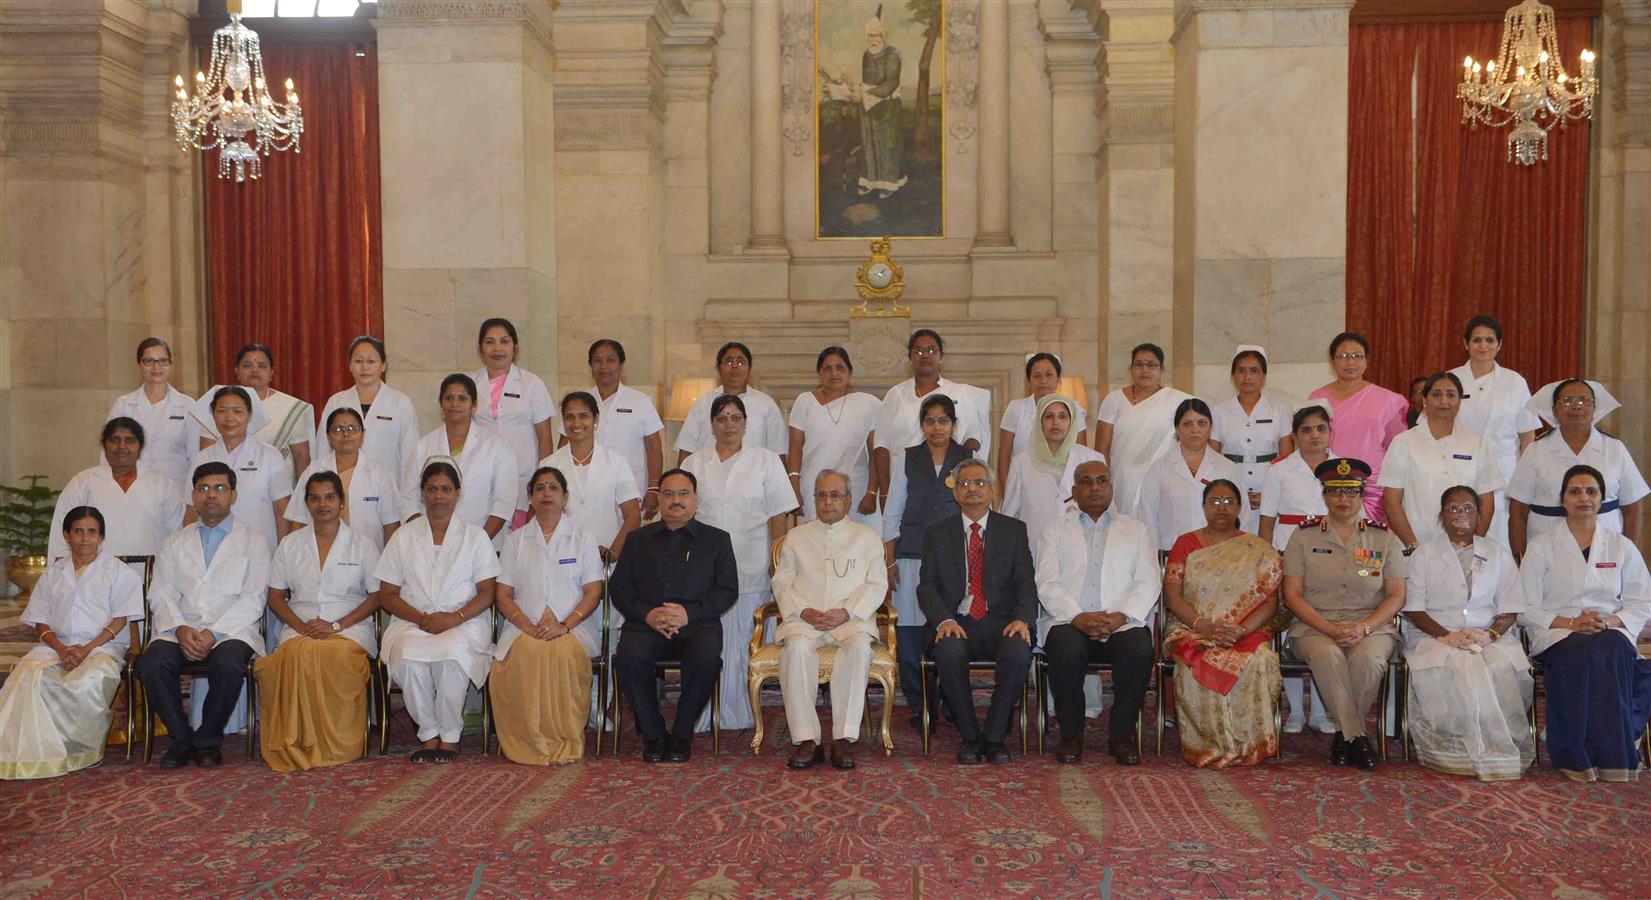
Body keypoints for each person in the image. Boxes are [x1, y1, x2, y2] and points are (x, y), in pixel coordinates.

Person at [136, 462, 274, 769]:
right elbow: (160, 592)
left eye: (220, 488)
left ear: (233, 495)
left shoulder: (255, 542)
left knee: (227, 663)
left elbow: (254, 598)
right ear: (194, 495)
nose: (211, 495)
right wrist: (181, 629)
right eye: (204, 488)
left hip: (232, 629)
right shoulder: (174, 542)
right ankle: (181, 739)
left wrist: (214, 634)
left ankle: (209, 739)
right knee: (152, 663)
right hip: (181, 626)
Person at [1518, 464, 1651, 782]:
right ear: (1562, 499)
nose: (1583, 498)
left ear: (1602, 499)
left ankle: (1615, 755)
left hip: (1611, 628)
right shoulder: (1541, 547)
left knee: (1613, 648)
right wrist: (1571, 622)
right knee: (1584, 651)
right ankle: (1574, 753)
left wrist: (1609, 621)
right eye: (1575, 491)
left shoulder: (1621, 546)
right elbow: (1523, 606)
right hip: (1558, 632)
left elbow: (1642, 600)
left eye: (1591, 491)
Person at [680, 394, 798, 731]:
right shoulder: (694, 464)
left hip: (751, 561)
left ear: (746, 424)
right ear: (712, 424)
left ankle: (742, 711)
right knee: (707, 638)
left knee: (745, 639)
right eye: (722, 418)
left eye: (736, 418)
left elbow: (778, 516)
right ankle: (703, 710)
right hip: (702, 569)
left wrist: (778, 563)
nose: (729, 425)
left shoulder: (765, 461)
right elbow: (682, 516)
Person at [1281, 457, 1407, 771]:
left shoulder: (1384, 538)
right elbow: (1292, 595)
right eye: (1335, 492)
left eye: (1351, 492)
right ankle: (1357, 737)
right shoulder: (1303, 536)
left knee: (1369, 659)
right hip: (1313, 626)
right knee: (1328, 656)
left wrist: (1364, 627)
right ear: (1324, 495)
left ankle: (1344, 735)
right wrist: (1327, 627)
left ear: (1363, 496)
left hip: (1371, 626)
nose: (1343, 499)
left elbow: (1397, 595)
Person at [0, 507, 143, 779]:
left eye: (92, 532)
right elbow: (40, 621)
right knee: (25, 675)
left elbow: (120, 621)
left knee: (86, 680)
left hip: (103, 647)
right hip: (57, 646)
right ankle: (25, 750)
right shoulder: (54, 573)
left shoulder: (119, 572)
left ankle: (79, 751)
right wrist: (62, 649)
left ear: (101, 537)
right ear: (67, 535)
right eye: (78, 531)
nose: (85, 538)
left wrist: (86, 650)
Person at [1402, 486, 1533, 781]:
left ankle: (1498, 748)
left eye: (1467, 509)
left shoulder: (1496, 553)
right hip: (1435, 636)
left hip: (1487, 635)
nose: (1461, 515)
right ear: (1441, 515)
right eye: (1453, 508)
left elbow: (1510, 605)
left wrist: (1490, 635)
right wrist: (1446, 636)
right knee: (1462, 664)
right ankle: (1455, 748)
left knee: (1496, 664)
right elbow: (1413, 608)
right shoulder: (1424, 554)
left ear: (1479, 515)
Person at [374, 460, 501, 764]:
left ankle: (450, 737)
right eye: (432, 489)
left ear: (458, 494)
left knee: (452, 656)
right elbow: (386, 593)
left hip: (463, 622)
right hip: (412, 621)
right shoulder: (404, 536)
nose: (438, 496)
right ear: (422, 494)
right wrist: (420, 618)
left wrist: (453, 618)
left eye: (446, 489)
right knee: (407, 657)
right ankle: (429, 734)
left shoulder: (475, 536)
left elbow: (488, 591)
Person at [1035, 459, 1160, 766]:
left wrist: (1120, 616)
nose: (1094, 488)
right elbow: (1046, 581)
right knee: (1064, 649)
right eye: (1086, 482)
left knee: (1140, 649)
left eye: (1101, 481)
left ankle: (1121, 735)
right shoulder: (1054, 530)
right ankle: (1071, 734)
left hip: (1120, 621)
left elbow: (1149, 580)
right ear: (1074, 490)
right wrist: (1078, 617)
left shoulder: (1136, 530)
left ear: (1111, 488)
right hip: (1069, 619)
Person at [610, 469, 739, 763]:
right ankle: (654, 735)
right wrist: (649, 614)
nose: (675, 501)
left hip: (696, 624)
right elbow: (620, 588)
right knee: (627, 657)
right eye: (668, 494)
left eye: (683, 494)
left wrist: (687, 613)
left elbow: (727, 590)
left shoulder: (717, 540)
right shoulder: (637, 539)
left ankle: (681, 734)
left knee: (707, 658)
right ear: (659, 499)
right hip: (646, 624)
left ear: (696, 500)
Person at [255, 471, 380, 772]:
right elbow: (275, 597)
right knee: (295, 653)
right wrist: (301, 626)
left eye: (330, 497)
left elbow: (378, 597)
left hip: (349, 629)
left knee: (324, 652)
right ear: (306, 503)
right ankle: (299, 740)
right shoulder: (290, 544)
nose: (322, 504)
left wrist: (336, 626)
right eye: (315, 498)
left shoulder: (362, 544)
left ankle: (337, 743)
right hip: (300, 627)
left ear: (342, 503)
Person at [919, 458, 1037, 765]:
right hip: (956, 620)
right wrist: (944, 619)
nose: (973, 489)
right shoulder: (937, 532)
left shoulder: (1014, 530)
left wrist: (1022, 620)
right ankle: (970, 737)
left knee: (1018, 652)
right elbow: (927, 586)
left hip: (1002, 622)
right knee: (947, 651)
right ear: (955, 492)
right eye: (965, 483)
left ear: (993, 489)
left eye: (980, 483)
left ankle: (995, 738)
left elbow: (1026, 582)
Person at [770, 470, 888, 771]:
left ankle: (842, 739)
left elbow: (877, 583)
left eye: (835, 495)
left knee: (859, 648)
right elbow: (782, 581)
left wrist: (848, 611)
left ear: (848, 500)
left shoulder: (868, 538)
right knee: (795, 650)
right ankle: (807, 738)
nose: (827, 502)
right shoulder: (795, 537)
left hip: (850, 619)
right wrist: (803, 610)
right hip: (805, 619)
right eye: (821, 495)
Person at [1162, 480, 1284, 768]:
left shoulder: (1256, 548)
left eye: (1228, 501)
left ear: (1240, 508)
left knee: (1262, 660)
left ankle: (1250, 744)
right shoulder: (1185, 543)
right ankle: (1210, 745)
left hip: (1245, 630)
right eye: (1214, 501)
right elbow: (1173, 597)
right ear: (1203, 506)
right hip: (1193, 628)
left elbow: (1269, 601)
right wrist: (1202, 625)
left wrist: (1240, 630)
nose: (1221, 507)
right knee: (1196, 659)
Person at [491, 466, 604, 766]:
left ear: (565, 497)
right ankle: (529, 742)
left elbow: (593, 591)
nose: (546, 493)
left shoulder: (582, 537)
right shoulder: (515, 540)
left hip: (572, 625)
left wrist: (565, 625)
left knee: (562, 653)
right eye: (539, 488)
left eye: (553, 488)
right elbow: (503, 594)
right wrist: (527, 625)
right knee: (526, 652)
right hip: (523, 624)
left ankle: (565, 738)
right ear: (530, 498)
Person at [882, 394, 973, 725]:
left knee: (950, 631)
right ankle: (921, 704)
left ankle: (950, 700)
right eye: (930, 420)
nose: (937, 427)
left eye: (943, 420)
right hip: (911, 555)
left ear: (953, 424)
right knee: (909, 637)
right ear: (922, 425)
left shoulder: (967, 457)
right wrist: (889, 558)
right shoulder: (908, 459)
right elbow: (893, 509)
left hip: (954, 559)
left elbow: (977, 508)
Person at [1258, 403, 1341, 735]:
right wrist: (1268, 564)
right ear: (1294, 436)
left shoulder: (1342, 469)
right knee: (1285, 628)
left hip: (1331, 556)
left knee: (1323, 628)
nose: (1314, 435)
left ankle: (1321, 710)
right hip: (1286, 551)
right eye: (1306, 430)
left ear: (1330, 432)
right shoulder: (1278, 470)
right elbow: (1266, 523)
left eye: (1320, 428)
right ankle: (1293, 710)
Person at [1508, 379, 1647, 558]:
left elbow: (1633, 507)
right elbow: (1518, 511)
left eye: (1584, 400)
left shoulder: (1614, 448)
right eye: (1567, 401)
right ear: (1554, 410)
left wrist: (1629, 555)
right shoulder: (1537, 450)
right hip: (1547, 548)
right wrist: (1521, 557)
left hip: (1606, 547)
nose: (1577, 406)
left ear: (1595, 408)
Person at [1379, 372, 1503, 553]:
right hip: (1415, 542)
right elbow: (1391, 501)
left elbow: (1486, 500)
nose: (1444, 400)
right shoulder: (1403, 442)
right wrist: (1412, 545)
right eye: (1436, 394)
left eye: (1451, 394)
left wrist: (1471, 544)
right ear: (1424, 400)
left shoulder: (1476, 443)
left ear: (1460, 401)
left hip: (1463, 544)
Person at [872, 329, 989, 510]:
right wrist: (885, 492)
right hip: (903, 485)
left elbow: (973, 438)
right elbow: (881, 445)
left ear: (941, 356)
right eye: (918, 351)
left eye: (931, 350)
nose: (925, 355)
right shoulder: (896, 394)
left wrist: (959, 470)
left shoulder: (959, 393)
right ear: (910, 357)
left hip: (950, 487)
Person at [1449, 315, 1538, 548]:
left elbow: (1527, 434)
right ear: (1465, 343)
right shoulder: (1451, 379)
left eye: (1490, 340)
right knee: (1460, 527)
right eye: (1477, 340)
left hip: (1505, 473)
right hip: (1459, 468)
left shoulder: (1514, 382)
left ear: (1499, 345)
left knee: (1500, 536)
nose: (1483, 346)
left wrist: (1525, 477)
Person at [48, 418, 187, 562]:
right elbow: (61, 536)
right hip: (94, 578)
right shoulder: (82, 484)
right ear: (104, 446)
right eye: (114, 440)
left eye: (130, 440)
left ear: (140, 447)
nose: (122, 446)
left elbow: (176, 537)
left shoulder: (163, 485)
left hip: (151, 577)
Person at [403, 375, 518, 545]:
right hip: (430, 546)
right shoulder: (424, 446)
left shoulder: (497, 447)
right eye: (449, 398)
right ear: (441, 404)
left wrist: (476, 546)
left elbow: (503, 505)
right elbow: (408, 499)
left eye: (462, 398)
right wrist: (426, 540)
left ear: (474, 405)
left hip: (483, 546)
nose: (455, 404)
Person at [1307, 333, 1409, 523]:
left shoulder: (1387, 400)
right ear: (1332, 361)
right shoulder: (1317, 399)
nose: (1350, 362)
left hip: (1373, 490)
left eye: (1357, 356)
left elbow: (1398, 450)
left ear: (1367, 361)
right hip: (1329, 483)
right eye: (1343, 356)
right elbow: (1309, 443)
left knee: (1369, 548)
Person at [563, 339, 664, 520]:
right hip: (584, 490)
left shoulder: (640, 401)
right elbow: (564, 445)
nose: (604, 366)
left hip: (630, 489)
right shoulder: (579, 401)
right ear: (590, 366)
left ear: (621, 365)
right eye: (597, 360)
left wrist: (653, 488)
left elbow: (654, 447)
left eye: (610, 360)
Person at [469, 318, 556, 521]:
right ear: (480, 348)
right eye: (490, 342)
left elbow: (544, 437)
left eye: (504, 341)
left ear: (515, 347)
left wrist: (541, 483)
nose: (497, 348)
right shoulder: (470, 383)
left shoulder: (532, 383)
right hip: (480, 477)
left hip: (522, 479)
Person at [1093, 342, 1192, 520]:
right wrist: (1102, 486)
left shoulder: (1177, 402)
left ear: (1162, 369)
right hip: (1122, 485)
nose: (1145, 370)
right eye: (1139, 364)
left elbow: (1192, 444)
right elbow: (1101, 451)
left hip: (1163, 482)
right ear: (1131, 368)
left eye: (1151, 365)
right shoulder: (1113, 400)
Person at [539, 391, 640, 565]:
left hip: (605, 558)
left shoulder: (616, 462)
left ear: (596, 419)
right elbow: (539, 514)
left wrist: (613, 552)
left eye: (583, 416)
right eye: (569, 417)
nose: (576, 423)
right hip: (559, 559)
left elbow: (633, 516)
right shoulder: (549, 465)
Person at [1000, 393, 1105, 555]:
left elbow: (1107, 511)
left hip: (1084, 551)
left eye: (1062, 417)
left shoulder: (1093, 460)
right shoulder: (1021, 462)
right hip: (1035, 550)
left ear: (1072, 422)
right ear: (1040, 423)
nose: (1056, 423)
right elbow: (1009, 515)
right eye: (1049, 417)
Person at [191, 385, 292, 552]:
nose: (229, 418)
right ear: (213, 415)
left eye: (237, 411)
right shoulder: (202, 458)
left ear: (250, 415)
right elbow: (191, 510)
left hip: (260, 551)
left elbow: (282, 509)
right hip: (212, 551)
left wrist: (282, 555)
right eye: (222, 411)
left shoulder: (269, 455)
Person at [286, 407, 403, 551]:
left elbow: (391, 523)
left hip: (369, 557)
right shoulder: (313, 471)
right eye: (338, 429)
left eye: (353, 428)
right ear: (328, 436)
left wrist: (386, 563)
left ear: (363, 433)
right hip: (319, 556)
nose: (346, 434)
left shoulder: (380, 474)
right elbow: (298, 520)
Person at [787, 346, 879, 526]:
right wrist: (794, 489)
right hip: (814, 489)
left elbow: (876, 453)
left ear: (850, 372)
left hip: (855, 489)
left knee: (854, 546)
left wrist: (871, 493)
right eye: (827, 368)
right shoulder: (805, 402)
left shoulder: (870, 404)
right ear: (819, 373)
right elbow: (795, 449)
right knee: (814, 546)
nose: (834, 373)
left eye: (840, 367)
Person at [1137, 398, 1243, 552]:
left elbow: (1242, 516)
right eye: (1187, 423)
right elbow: (1147, 518)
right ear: (1177, 429)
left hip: (1220, 556)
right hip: (1172, 555)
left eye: (1202, 423)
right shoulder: (1159, 469)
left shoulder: (1228, 468)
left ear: (1210, 428)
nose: (1195, 429)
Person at [1210, 346, 1293, 534]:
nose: (1247, 377)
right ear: (1233, 375)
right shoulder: (1218, 411)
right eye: (1241, 371)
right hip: (1230, 485)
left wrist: (1270, 493)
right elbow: (1212, 458)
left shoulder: (1279, 410)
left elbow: (1286, 458)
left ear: (1263, 375)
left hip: (1268, 484)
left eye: (1254, 371)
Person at [318, 336, 421, 478]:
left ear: (383, 365)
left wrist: (406, 498)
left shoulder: (400, 403)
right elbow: (322, 450)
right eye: (358, 361)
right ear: (350, 366)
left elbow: (411, 456)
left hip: (388, 489)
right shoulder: (336, 402)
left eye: (371, 361)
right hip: (342, 488)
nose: (364, 367)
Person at [105, 337, 200, 484]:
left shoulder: (188, 406)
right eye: (149, 361)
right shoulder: (124, 405)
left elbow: (195, 457)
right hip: (133, 490)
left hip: (176, 491)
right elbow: (109, 453)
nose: (157, 367)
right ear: (139, 365)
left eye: (163, 361)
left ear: (170, 365)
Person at [209, 343, 313, 474]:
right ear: (237, 370)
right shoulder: (218, 403)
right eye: (247, 365)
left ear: (272, 372)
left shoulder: (290, 408)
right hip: (225, 485)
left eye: (262, 366)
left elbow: (301, 456)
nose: (254, 370)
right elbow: (207, 450)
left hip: (278, 486)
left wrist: (302, 492)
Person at [675, 342, 788, 462]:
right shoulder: (703, 403)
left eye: (740, 362)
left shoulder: (766, 404)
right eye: (729, 361)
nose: (735, 366)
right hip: (708, 476)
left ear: (749, 368)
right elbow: (686, 448)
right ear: (718, 367)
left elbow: (778, 452)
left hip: (753, 477)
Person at [997, 353, 1089, 490]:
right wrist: (1008, 491)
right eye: (1037, 376)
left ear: (1058, 379)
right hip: (1023, 485)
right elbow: (1004, 454)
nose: (1043, 381)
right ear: (1028, 380)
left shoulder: (1074, 409)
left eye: (1049, 375)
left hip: (1065, 487)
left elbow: (1081, 453)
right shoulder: (1016, 409)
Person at [851, 7, 905, 198]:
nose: (873, 39)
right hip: (867, 105)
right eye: (870, 35)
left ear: (883, 35)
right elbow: (866, 80)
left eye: (876, 35)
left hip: (887, 105)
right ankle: (870, 181)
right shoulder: (866, 55)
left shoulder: (893, 55)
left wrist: (869, 93)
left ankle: (888, 184)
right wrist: (856, 90)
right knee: (868, 143)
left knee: (886, 145)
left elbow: (891, 82)